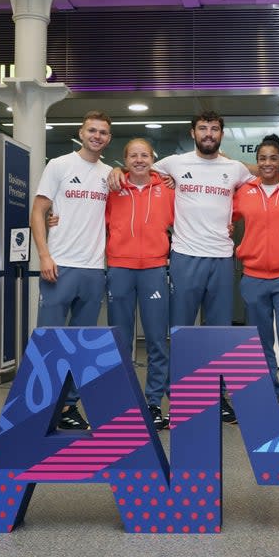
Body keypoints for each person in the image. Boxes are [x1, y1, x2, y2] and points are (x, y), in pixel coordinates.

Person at [108, 110, 253, 423]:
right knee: (181, 334)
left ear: (221, 134)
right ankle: (181, 397)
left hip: (221, 258)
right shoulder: (173, 163)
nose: (209, 133)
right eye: (203, 128)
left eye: (214, 128)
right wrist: (117, 170)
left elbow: (261, 182)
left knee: (219, 335)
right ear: (193, 132)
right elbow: (138, 169)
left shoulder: (234, 168)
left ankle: (217, 397)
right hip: (185, 256)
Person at [31, 111, 113, 431]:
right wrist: (44, 255)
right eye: (92, 130)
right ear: (81, 132)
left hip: (94, 270)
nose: (97, 136)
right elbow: (38, 212)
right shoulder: (59, 165)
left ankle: (68, 407)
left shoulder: (109, 174)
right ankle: (42, 407)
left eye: (103, 132)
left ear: (108, 138)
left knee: (80, 346)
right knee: (50, 342)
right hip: (60, 265)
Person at [232, 134, 279, 399]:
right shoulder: (244, 192)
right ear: (257, 162)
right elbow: (222, 217)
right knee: (259, 341)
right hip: (252, 277)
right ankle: (266, 394)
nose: (268, 163)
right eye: (262, 158)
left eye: (273, 158)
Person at [105, 139, 174, 429]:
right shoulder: (112, 187)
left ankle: (153, 402)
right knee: (119, 340)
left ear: (152, 159)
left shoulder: (168, 189)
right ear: (125, 159)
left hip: (155, 269)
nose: (139, 159)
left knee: (157, 340)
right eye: (133, 155)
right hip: (120, 267)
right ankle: (123, 403)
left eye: (144, 155)